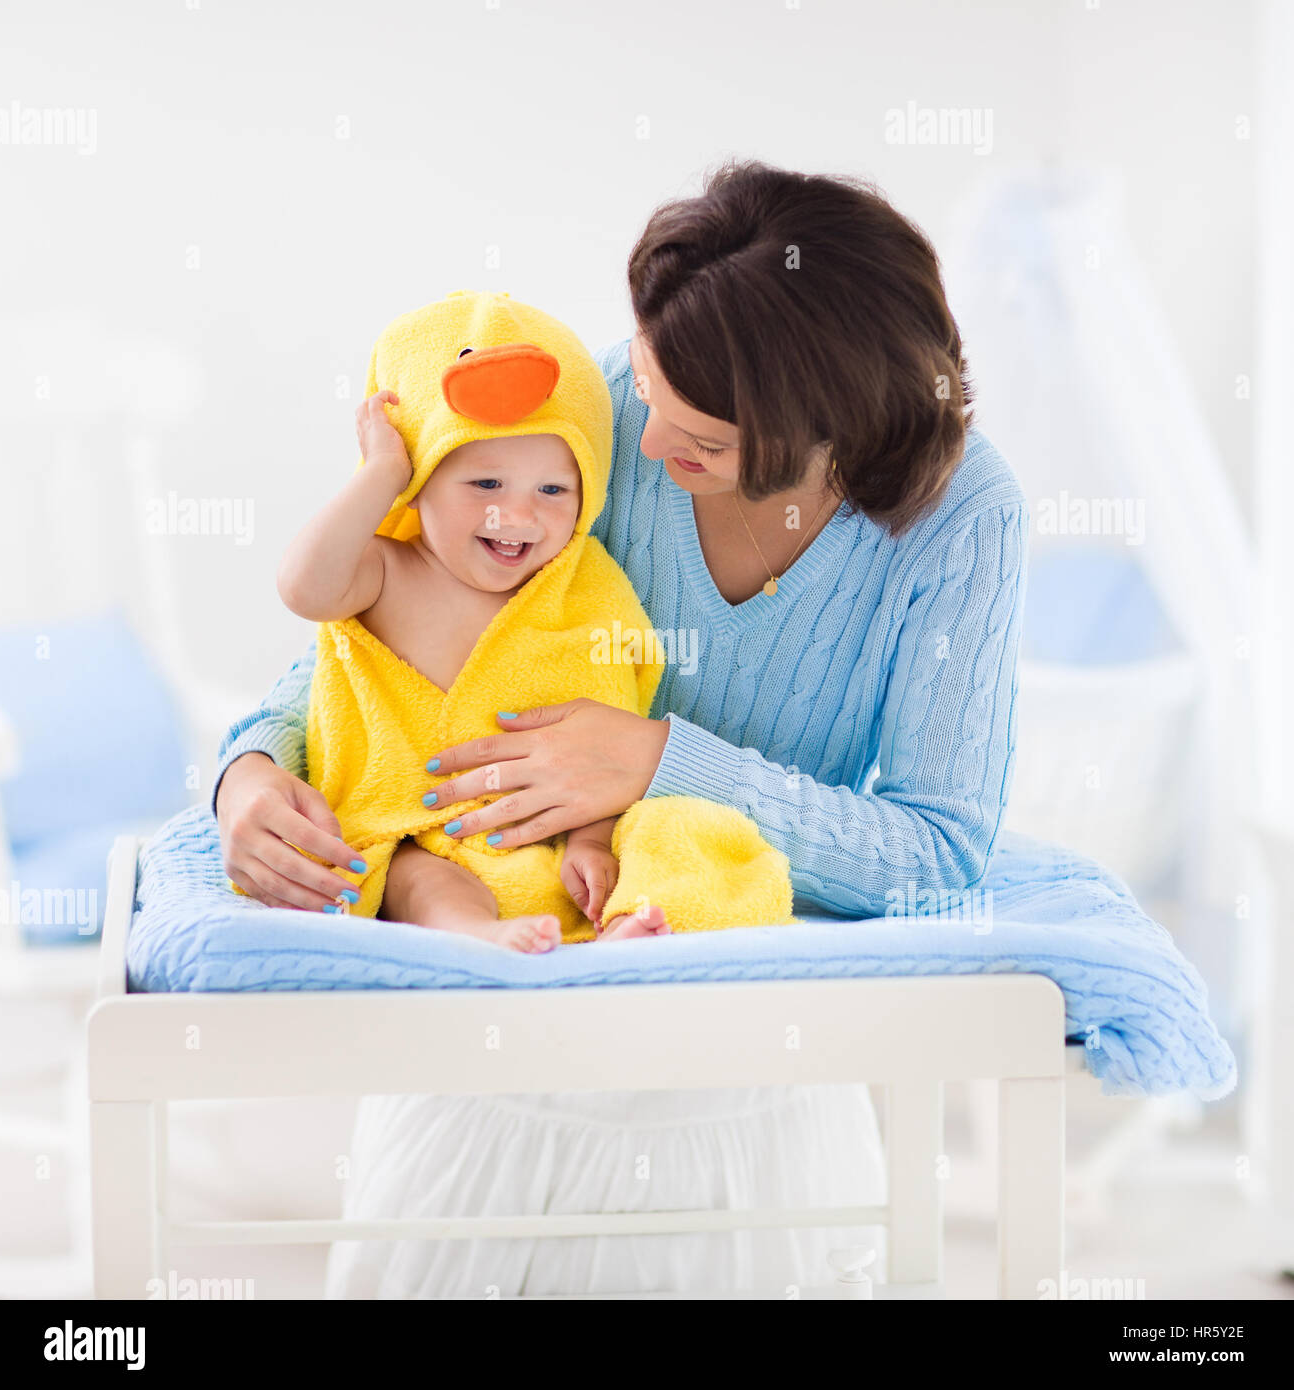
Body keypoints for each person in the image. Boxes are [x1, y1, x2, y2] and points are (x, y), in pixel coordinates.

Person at [214, 159, 1026, 1296]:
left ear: (828, 432)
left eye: (698, 440)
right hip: (502, 1030)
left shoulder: (961, 519)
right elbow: (378, 641)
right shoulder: (596, 415)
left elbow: (937, 855)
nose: (643, 450)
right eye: (645, 389)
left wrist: (653, 764)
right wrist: (247, 771)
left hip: (745, 1064)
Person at [266, 288, 793, 951]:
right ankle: (476, 935)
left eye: (552, 490)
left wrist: (592, 843)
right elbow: (303, 588)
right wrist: (381, 471)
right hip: (433, 832)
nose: (515, 516)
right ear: (419, 479)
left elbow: (606, 728)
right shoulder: (385, 570)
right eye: (484, 485)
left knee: (681, 830)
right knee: (416, 876)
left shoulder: (582, 589)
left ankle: (635, 924)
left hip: (555, 839)